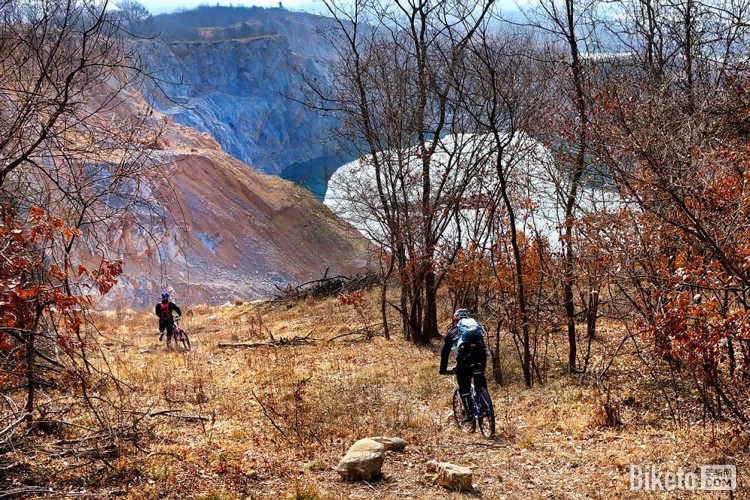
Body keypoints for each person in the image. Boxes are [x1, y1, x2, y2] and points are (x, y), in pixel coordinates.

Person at [439, 308, 488, 421]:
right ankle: (486, 406)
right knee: (479, 378)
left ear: (456, 320)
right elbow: (483, 346)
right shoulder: (476, 329)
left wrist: (443, 369)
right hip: (481, 356)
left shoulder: (454, 331)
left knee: (464, 385)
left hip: (465, 358)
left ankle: (470, 413)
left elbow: (445, 352)